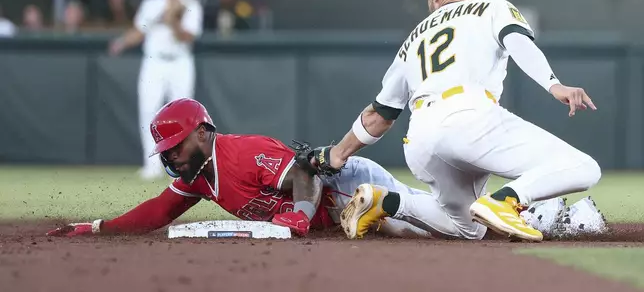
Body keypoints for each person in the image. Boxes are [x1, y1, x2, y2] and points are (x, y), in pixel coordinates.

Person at [309, 0, 601, 242]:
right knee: (583, 167)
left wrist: (338, 154)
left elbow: (380, 115)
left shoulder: (413, 39)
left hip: (421, 139)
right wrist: (554, 85)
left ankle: (386, 203)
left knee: (469, 229)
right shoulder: (492, 7)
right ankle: (506, 199)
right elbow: (518, 41)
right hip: (470, 118)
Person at [45, 98, 604, 240]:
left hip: (349, 188)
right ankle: (556, 209)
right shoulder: (197, 176)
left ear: (201, 132)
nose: (169, 153)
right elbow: (156, 213)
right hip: (336, 211)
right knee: (442, 220)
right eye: (166, 147)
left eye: (174, 143)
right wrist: (96, 228)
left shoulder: (235, 152)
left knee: (460, 229)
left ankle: (568, 215)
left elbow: (305, 177)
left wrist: (298, 214)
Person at [107, 0, 204, 181]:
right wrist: (121, 43)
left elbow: (189, 37)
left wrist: (174, 22)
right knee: (149, 111)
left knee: (183, 114)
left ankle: (182, 165)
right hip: (154, 61)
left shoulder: (190, 4)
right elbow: (139, 31)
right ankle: (151, 165)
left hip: (180, 61)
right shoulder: (151, 3)